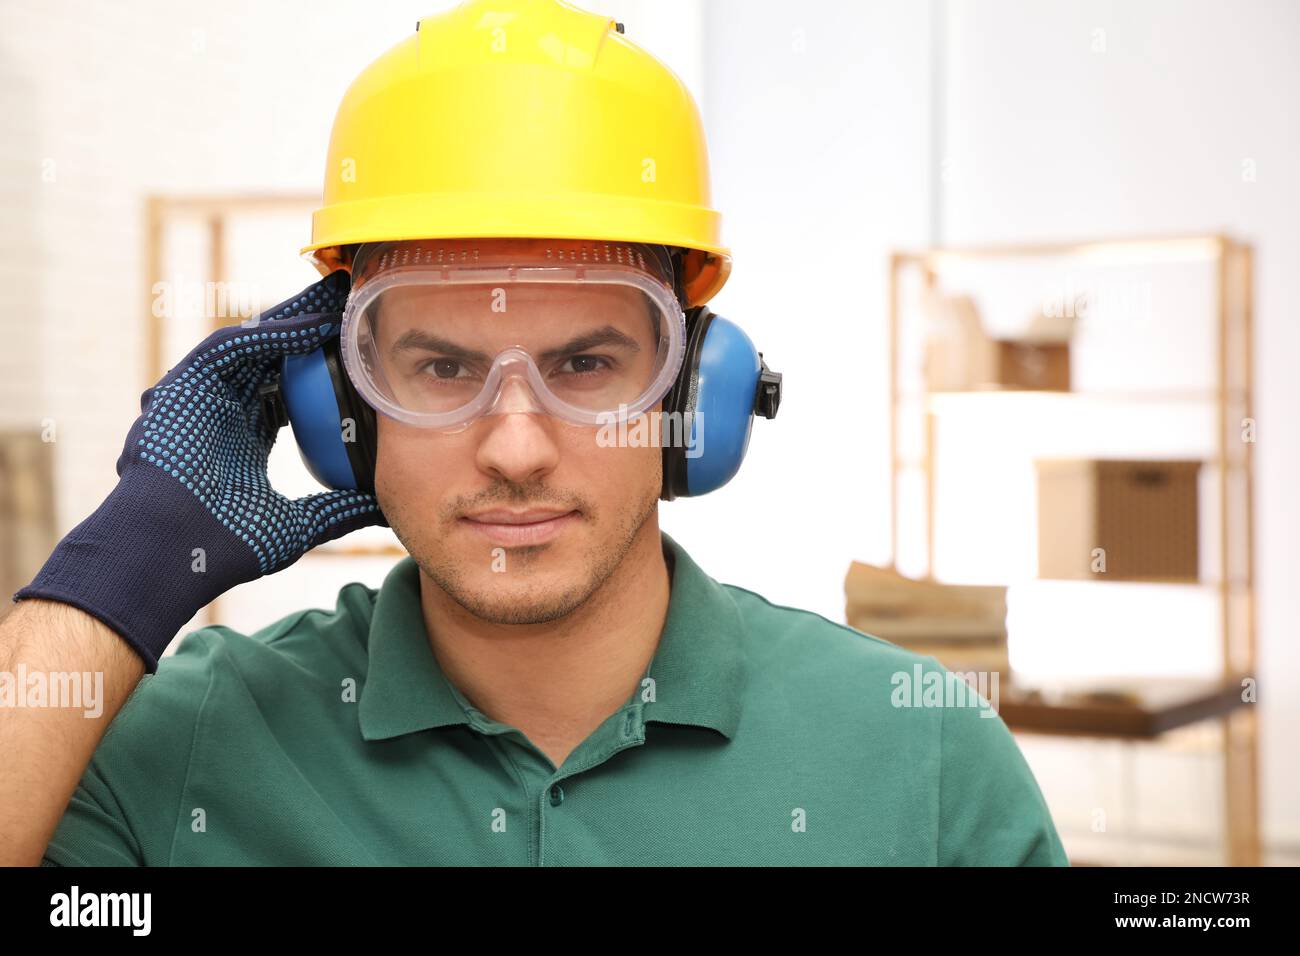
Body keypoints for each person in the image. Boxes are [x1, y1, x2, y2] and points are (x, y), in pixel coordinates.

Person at [1, 0, 1067, 866]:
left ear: (695, 395)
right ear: (341, 406)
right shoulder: (187, 743)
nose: (515, 449)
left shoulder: (916, 749)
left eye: (587, 363)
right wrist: (125, 564)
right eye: (440, 367)